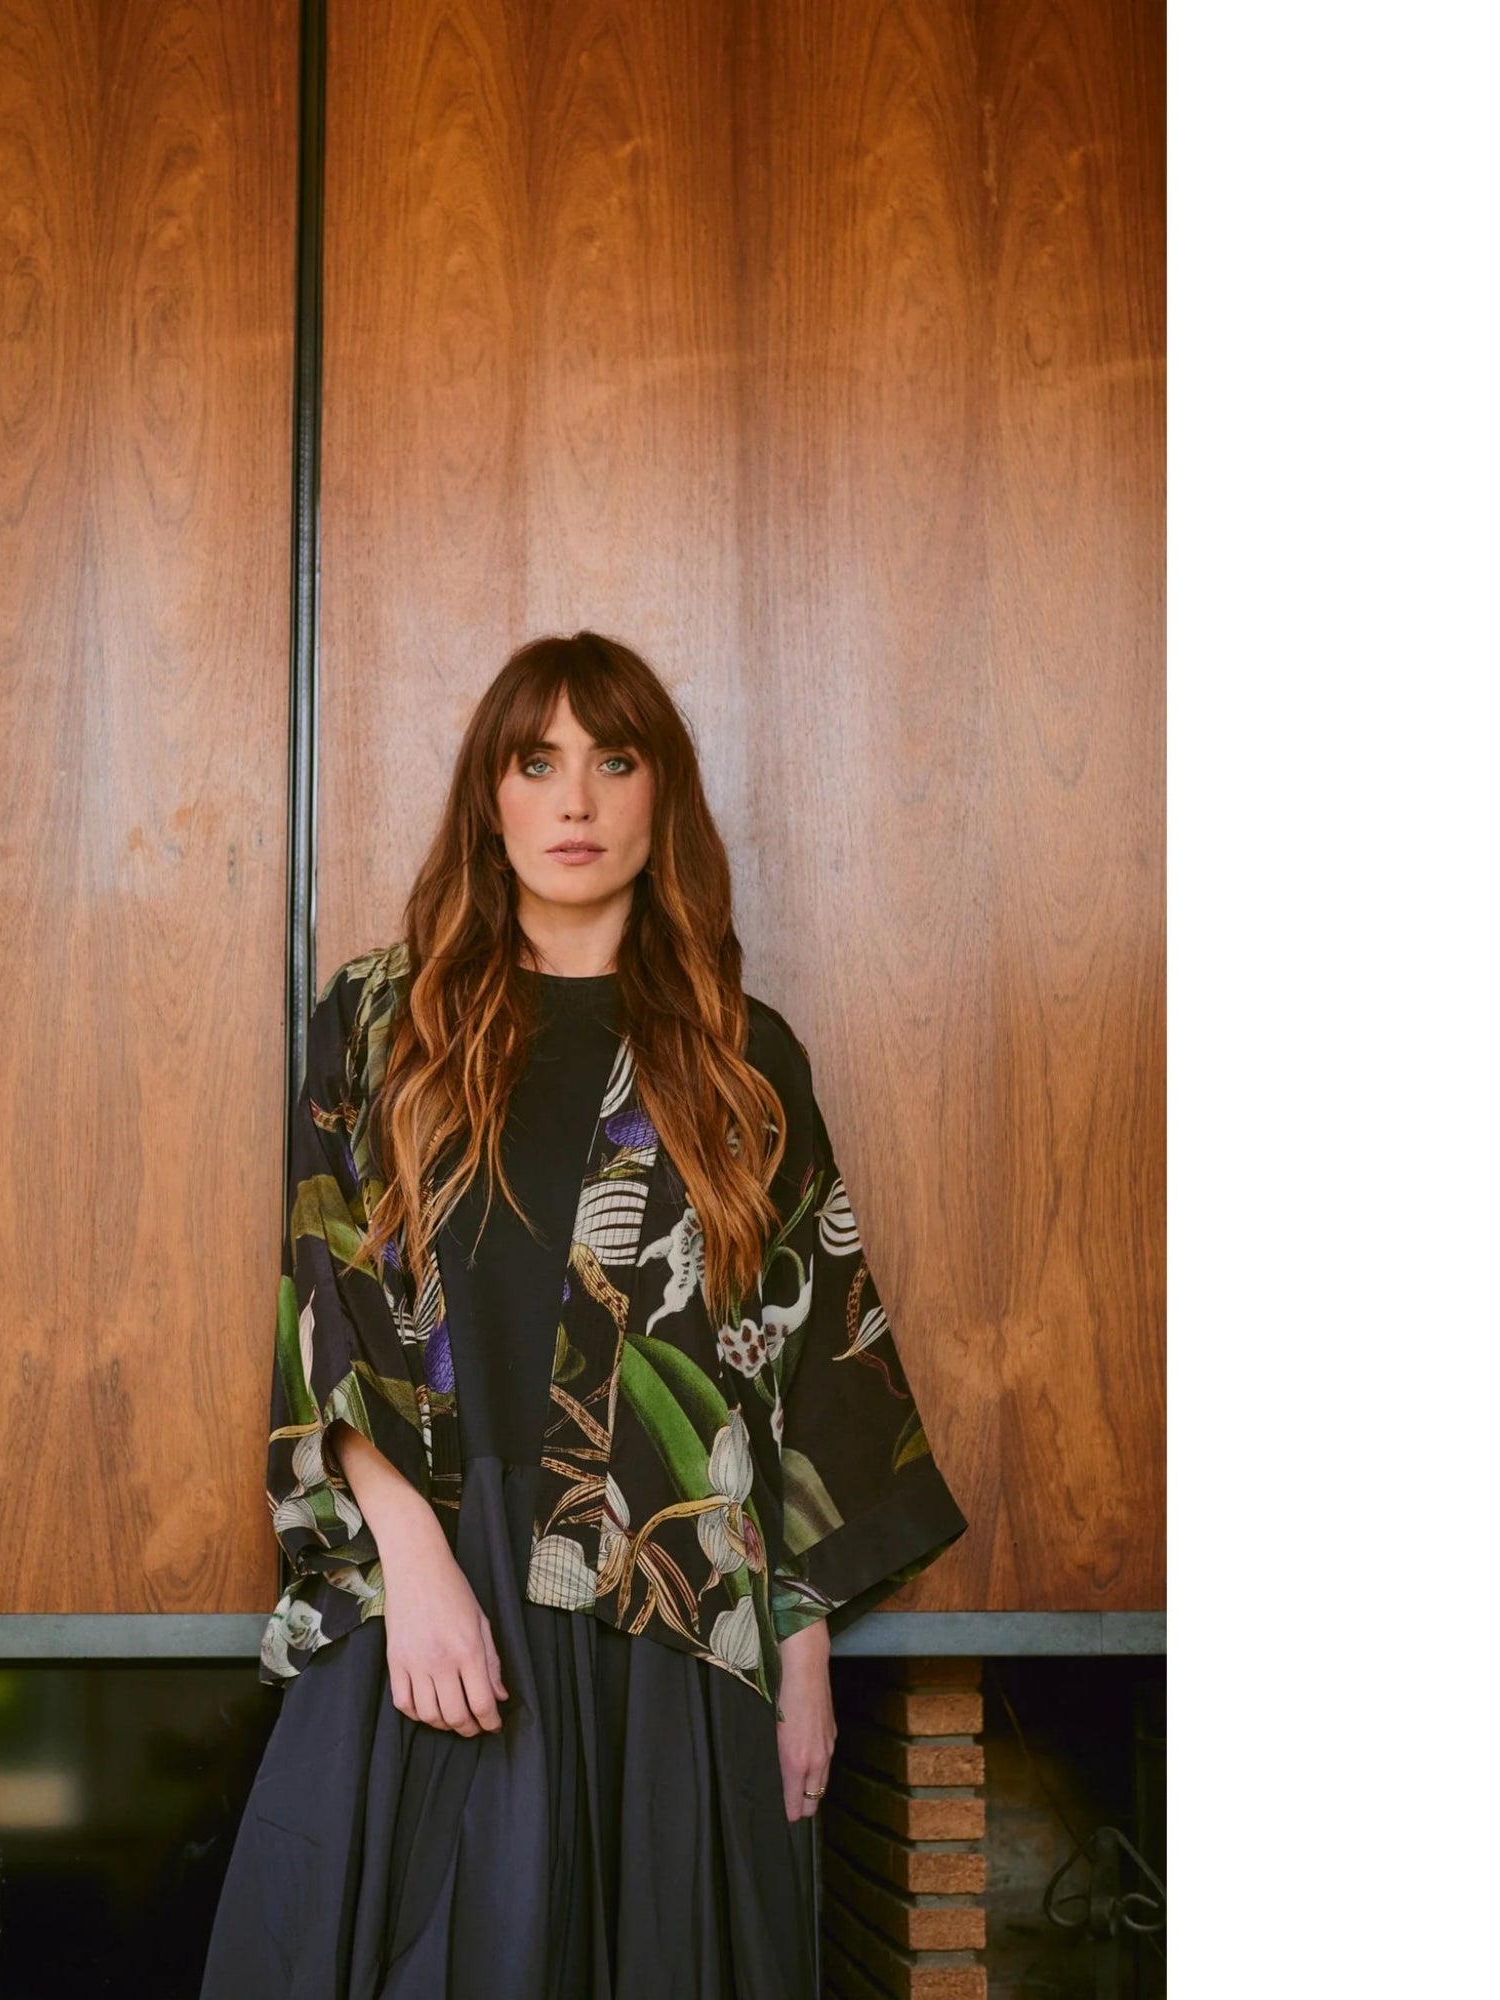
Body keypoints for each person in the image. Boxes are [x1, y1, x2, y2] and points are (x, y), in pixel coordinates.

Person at [200, 631, 968, 1999]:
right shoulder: (379, 1030)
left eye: (614, 763)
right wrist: (416, 1572)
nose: (576, 801)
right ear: (488, 799)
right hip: (438, 1608)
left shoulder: (743, 1056)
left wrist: (802, 1659)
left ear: (658, 796)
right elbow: (326, 1317)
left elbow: (797, 1367)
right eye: (537, 762)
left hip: (664, 1627)